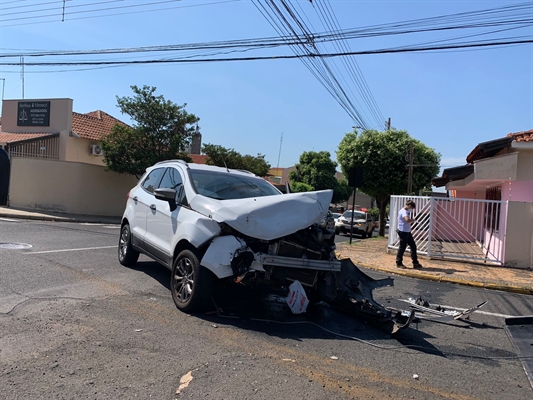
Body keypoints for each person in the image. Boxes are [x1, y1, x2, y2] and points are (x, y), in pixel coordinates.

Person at [396, 200, 423, 269]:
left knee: (413, 246)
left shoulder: (403, 211)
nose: (411, 210)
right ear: (409, 206)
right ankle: (399, 263)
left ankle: (415, 263)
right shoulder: (404, 211)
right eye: (412, 208)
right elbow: (407, 219)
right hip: (403, 231)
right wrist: (413, 220)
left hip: (406, 231)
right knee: (402, 247)